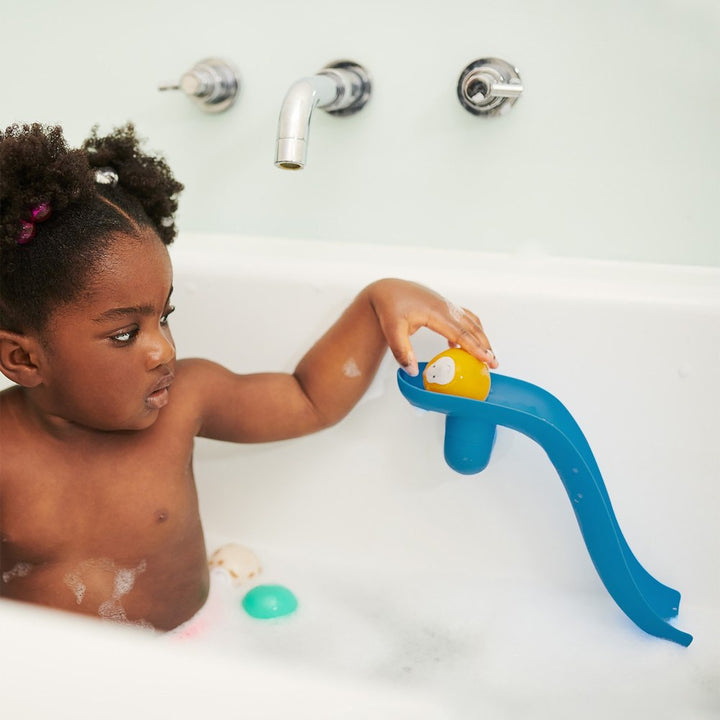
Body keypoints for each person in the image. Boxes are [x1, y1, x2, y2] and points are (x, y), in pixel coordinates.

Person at [0, 123, 497, 632]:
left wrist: (378, 302)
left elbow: (308, 399)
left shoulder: (187, 399)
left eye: (164, 317)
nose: (164, 349)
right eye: (126, 334)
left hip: (192, 651)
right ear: (23, 360)